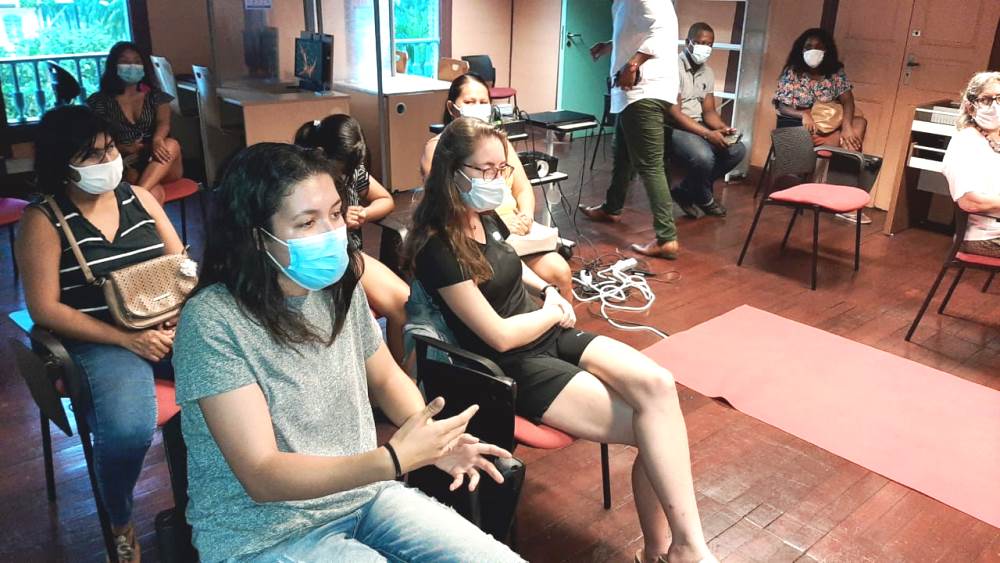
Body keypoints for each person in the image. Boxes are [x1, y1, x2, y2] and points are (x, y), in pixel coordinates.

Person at [172, 142, 523, 563]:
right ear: (256, 235)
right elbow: (262, 475)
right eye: (307, 222)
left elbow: (386, 378)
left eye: (336, 214)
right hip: (266, 533)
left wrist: (436, 441)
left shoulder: (338, 288)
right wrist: (394, 458)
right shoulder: (212, 321)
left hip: (364, 496)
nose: (331, 233)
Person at [405, 118, 717, 563]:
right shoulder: (437, 248)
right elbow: (499, 335)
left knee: (659, 386)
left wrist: (547, 289)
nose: (498, 180)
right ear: (452, 172)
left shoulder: (481, 217)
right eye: (486, 170)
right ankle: (673, 552)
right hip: (512, 364)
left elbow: (509, 264)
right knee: (654, 430)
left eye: (501, 169)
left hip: (546, 332)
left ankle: (682, 549)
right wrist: (551, 311)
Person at [16, 105, 185, 562]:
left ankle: (211, 496)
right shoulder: (44, 220)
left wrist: (178, 312)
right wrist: (127, 339)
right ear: (62, 162)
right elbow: (44, 308)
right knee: (128, 431)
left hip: (162, 323)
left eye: (109, 149)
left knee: (238, 379)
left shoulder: (141, 198)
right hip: (100, 339)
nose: (107, 161)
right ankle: (120, 517)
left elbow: (181, 266)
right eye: (91, 155)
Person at [420, 73, 573, 296]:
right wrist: (499, 226)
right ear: (452, 108)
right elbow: (444, 204)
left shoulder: (499, 143)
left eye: (483, 102)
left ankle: (560, 317)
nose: (477, 107)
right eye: (470, 102)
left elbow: (523, 189)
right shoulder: (439, 149)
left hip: (515, 234)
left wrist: (526, 217)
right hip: (473, 237)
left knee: (561, 272)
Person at [295, 114, 410, 364]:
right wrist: (333, 219)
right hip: (321, 259)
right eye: (342, 168)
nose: (345, 174)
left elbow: (386, 200)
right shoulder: (301, 179)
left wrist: (364, 213)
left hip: (350, 256)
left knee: (405, 307)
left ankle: (400, 375)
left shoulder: (352, 172)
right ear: (321, 154)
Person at [580, 0, 682, 260]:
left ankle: (667, 238)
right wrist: (610, 46)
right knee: (623, 154)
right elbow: (640, 32)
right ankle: (611, 208)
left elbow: (663, 30)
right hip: (632, 93)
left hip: (643, 90)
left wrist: (633, 64)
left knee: (650, 165)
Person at [773, 28, 870, 223]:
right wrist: (803, 114)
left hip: (829, 126)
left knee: (858, 125)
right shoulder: (793, 73)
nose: (813, 51)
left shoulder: (835, 74)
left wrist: (847, 126)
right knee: (847, 148)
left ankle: (842, 197)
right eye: (808, 47)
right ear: (801, 50)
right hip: (801, 127)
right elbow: (782, 106)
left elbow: (848, 101)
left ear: (827, 50)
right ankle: (842, 198)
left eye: (818, 47)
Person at [88, 41, 182, 205]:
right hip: (125, 161)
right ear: (113, 66)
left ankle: (134, 198)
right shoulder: (100, 101)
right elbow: (96, 137)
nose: (132, 66)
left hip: (159, 158)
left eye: (137, 62)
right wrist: (124, 148)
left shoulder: (156, 96)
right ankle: (140, 197)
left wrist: (156, 140)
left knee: (171, 144)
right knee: (153, 192)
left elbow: (163, 123)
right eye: (125, 61)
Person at [668, 22, 746, 219]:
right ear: (688, 42)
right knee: (704, 157)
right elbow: (676, 114)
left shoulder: (707, 72)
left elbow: (709, 111)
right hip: (675, 126)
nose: (706, 48)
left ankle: (686, 190)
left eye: (709, 44)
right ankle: (704, 198)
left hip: (698, 125)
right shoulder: (672, 67)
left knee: (737, 150)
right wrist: (708, 134)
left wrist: (723, 128)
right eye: (701, 43)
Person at [942, 71, 1000, 258]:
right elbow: (970, 202)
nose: (995, 107)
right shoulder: (966, 142)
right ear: (970, 107)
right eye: (986, 100)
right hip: (984, 237)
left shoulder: (995, 140)